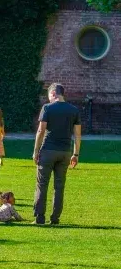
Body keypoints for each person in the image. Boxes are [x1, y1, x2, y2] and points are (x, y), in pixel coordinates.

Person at [32, 83, 81, 225]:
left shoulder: (47, 108)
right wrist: (76, 154)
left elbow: (41, 131)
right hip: (65, 152)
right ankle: (55, 218)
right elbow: (77, 134)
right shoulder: (74, 110)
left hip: (48, 151)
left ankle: (40, 218)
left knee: (42, 184)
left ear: (53, 94)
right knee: (59, 187)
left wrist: (36, 151)